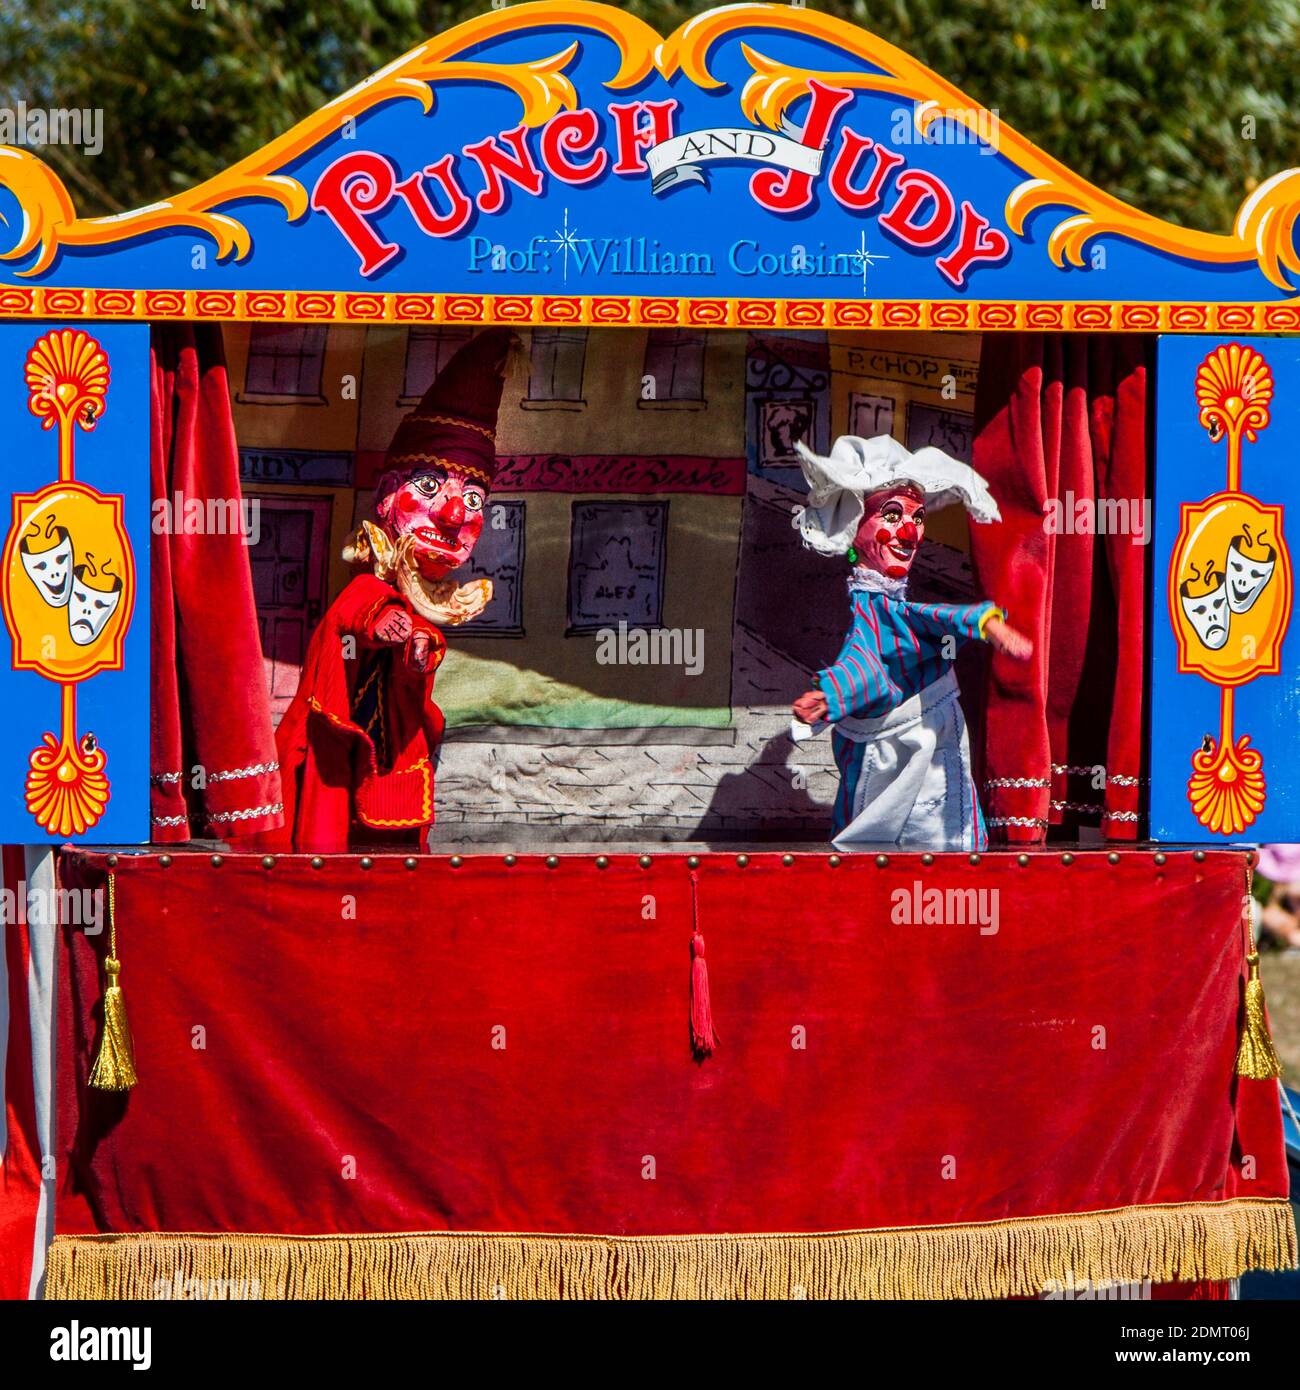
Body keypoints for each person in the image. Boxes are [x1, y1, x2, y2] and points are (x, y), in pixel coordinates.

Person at [256, 327, 515, 852]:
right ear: (386, 495)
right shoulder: (374, 586)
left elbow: (417, 652)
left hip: (390, 744)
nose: (451, 513)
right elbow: (355, 613)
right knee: (327, 822)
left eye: (472, 498)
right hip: (339, 743)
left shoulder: (426, 598)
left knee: (390, 831)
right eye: (427, 487)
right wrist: (381, 624)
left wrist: (419, 651)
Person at [790, 434, 1032, 851]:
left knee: (926, 834)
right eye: (893, 514)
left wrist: (982, 621)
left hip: (924, 737)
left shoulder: (887, 606)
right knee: (892, 837)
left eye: (918, 518)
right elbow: (866, 659)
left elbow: (911, 626)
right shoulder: (873, 610)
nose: (909, 531)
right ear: (856, 525)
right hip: (898, 748)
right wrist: (830, 694)